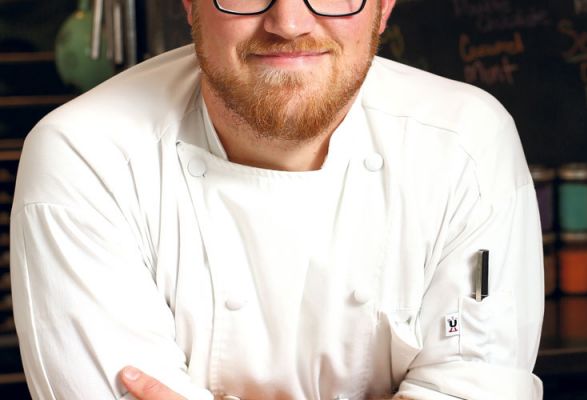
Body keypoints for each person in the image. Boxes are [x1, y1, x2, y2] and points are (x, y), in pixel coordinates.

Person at [10, 0, 545, 398]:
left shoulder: (464, 145)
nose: (288, 22)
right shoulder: (84, 157)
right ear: (190, 4)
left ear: (384, 6)